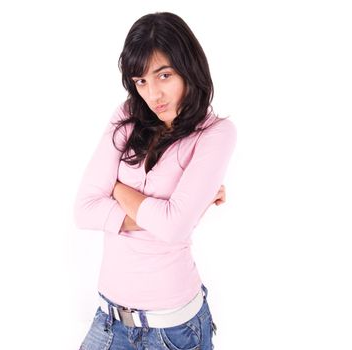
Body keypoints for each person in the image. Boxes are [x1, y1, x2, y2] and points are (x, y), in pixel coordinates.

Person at [73, 12, 237, 350]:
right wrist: (178, 210)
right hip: (108, 322)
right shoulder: (126, 117)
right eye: (141, 81)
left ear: (188, 68)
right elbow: (84, 210)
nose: (153, 94)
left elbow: (174, 227)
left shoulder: (215, 134)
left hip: (173, 331)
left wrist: (115, 189)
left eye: (164, 75)